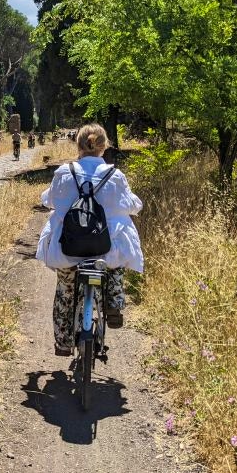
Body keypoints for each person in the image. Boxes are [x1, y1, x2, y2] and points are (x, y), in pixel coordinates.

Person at [35, 123, 143, 356]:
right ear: (104, 148)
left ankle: (63, 342)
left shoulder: (65, 172)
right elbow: (132, 205)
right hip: (105, 249)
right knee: (114, 264)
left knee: (65, 288)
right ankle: (113, 302)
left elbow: (50, 200)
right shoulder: (116, 176)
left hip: (69, 249)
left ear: (79, 145)